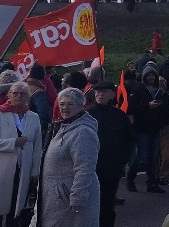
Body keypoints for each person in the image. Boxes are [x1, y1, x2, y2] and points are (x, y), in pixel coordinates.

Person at [31, 88, 100, 227]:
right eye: (62, 104)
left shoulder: (83, 132)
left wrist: (78, 197)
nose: (64, 108)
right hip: (57, 198)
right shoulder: (64, 126)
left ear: (81, 106)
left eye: (70, 104)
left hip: (68, 200)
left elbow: (85, 168)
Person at [86, 81, 134, 227]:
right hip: (89, 168)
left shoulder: (119, 116)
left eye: (104, 92)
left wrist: (122, 160)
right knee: (88, 205)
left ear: (112, 94)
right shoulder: (86, 114)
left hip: (111, 169)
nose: (100, 94)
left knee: (107, 205)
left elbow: (129, 140)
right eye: (98, 91)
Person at [1, 82, 41, 227]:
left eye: (22, 93)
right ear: (9, 95)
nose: (18, 96)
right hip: (3, 169)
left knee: (16, 206)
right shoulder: (1, 114)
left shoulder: (33, 117)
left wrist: (35, 171)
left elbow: (37, 145)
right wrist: (12, 143)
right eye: (15, 93)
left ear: (28, 96)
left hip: (23, 169)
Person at [126, 65, 166, 193]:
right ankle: (130, 180)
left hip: (154, 128)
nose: (151, 78)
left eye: (153, 75)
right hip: (142, 128)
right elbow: (131, 108)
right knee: (139, 157)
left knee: (153, 157)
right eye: (148, 75)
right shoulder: (139, 90)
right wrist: (147, 106)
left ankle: (151, 183)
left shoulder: (159, 91)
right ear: (144, 77)